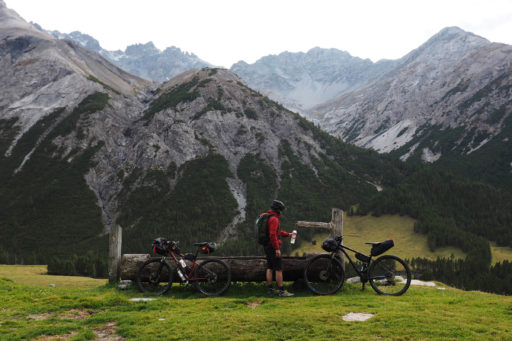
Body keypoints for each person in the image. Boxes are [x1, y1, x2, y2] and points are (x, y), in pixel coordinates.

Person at [264, 200, 294, 297]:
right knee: (278, 269)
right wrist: (277, 249)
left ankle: (270, 290)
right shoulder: (274, 219)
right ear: (278, 210)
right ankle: (281, 291)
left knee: (269, 267)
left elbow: (278, 232)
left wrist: (288, 234)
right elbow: (273, 235)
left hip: (267, 245)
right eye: (281, 210)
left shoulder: (268, 216)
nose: (282, 212)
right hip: (273, 246)